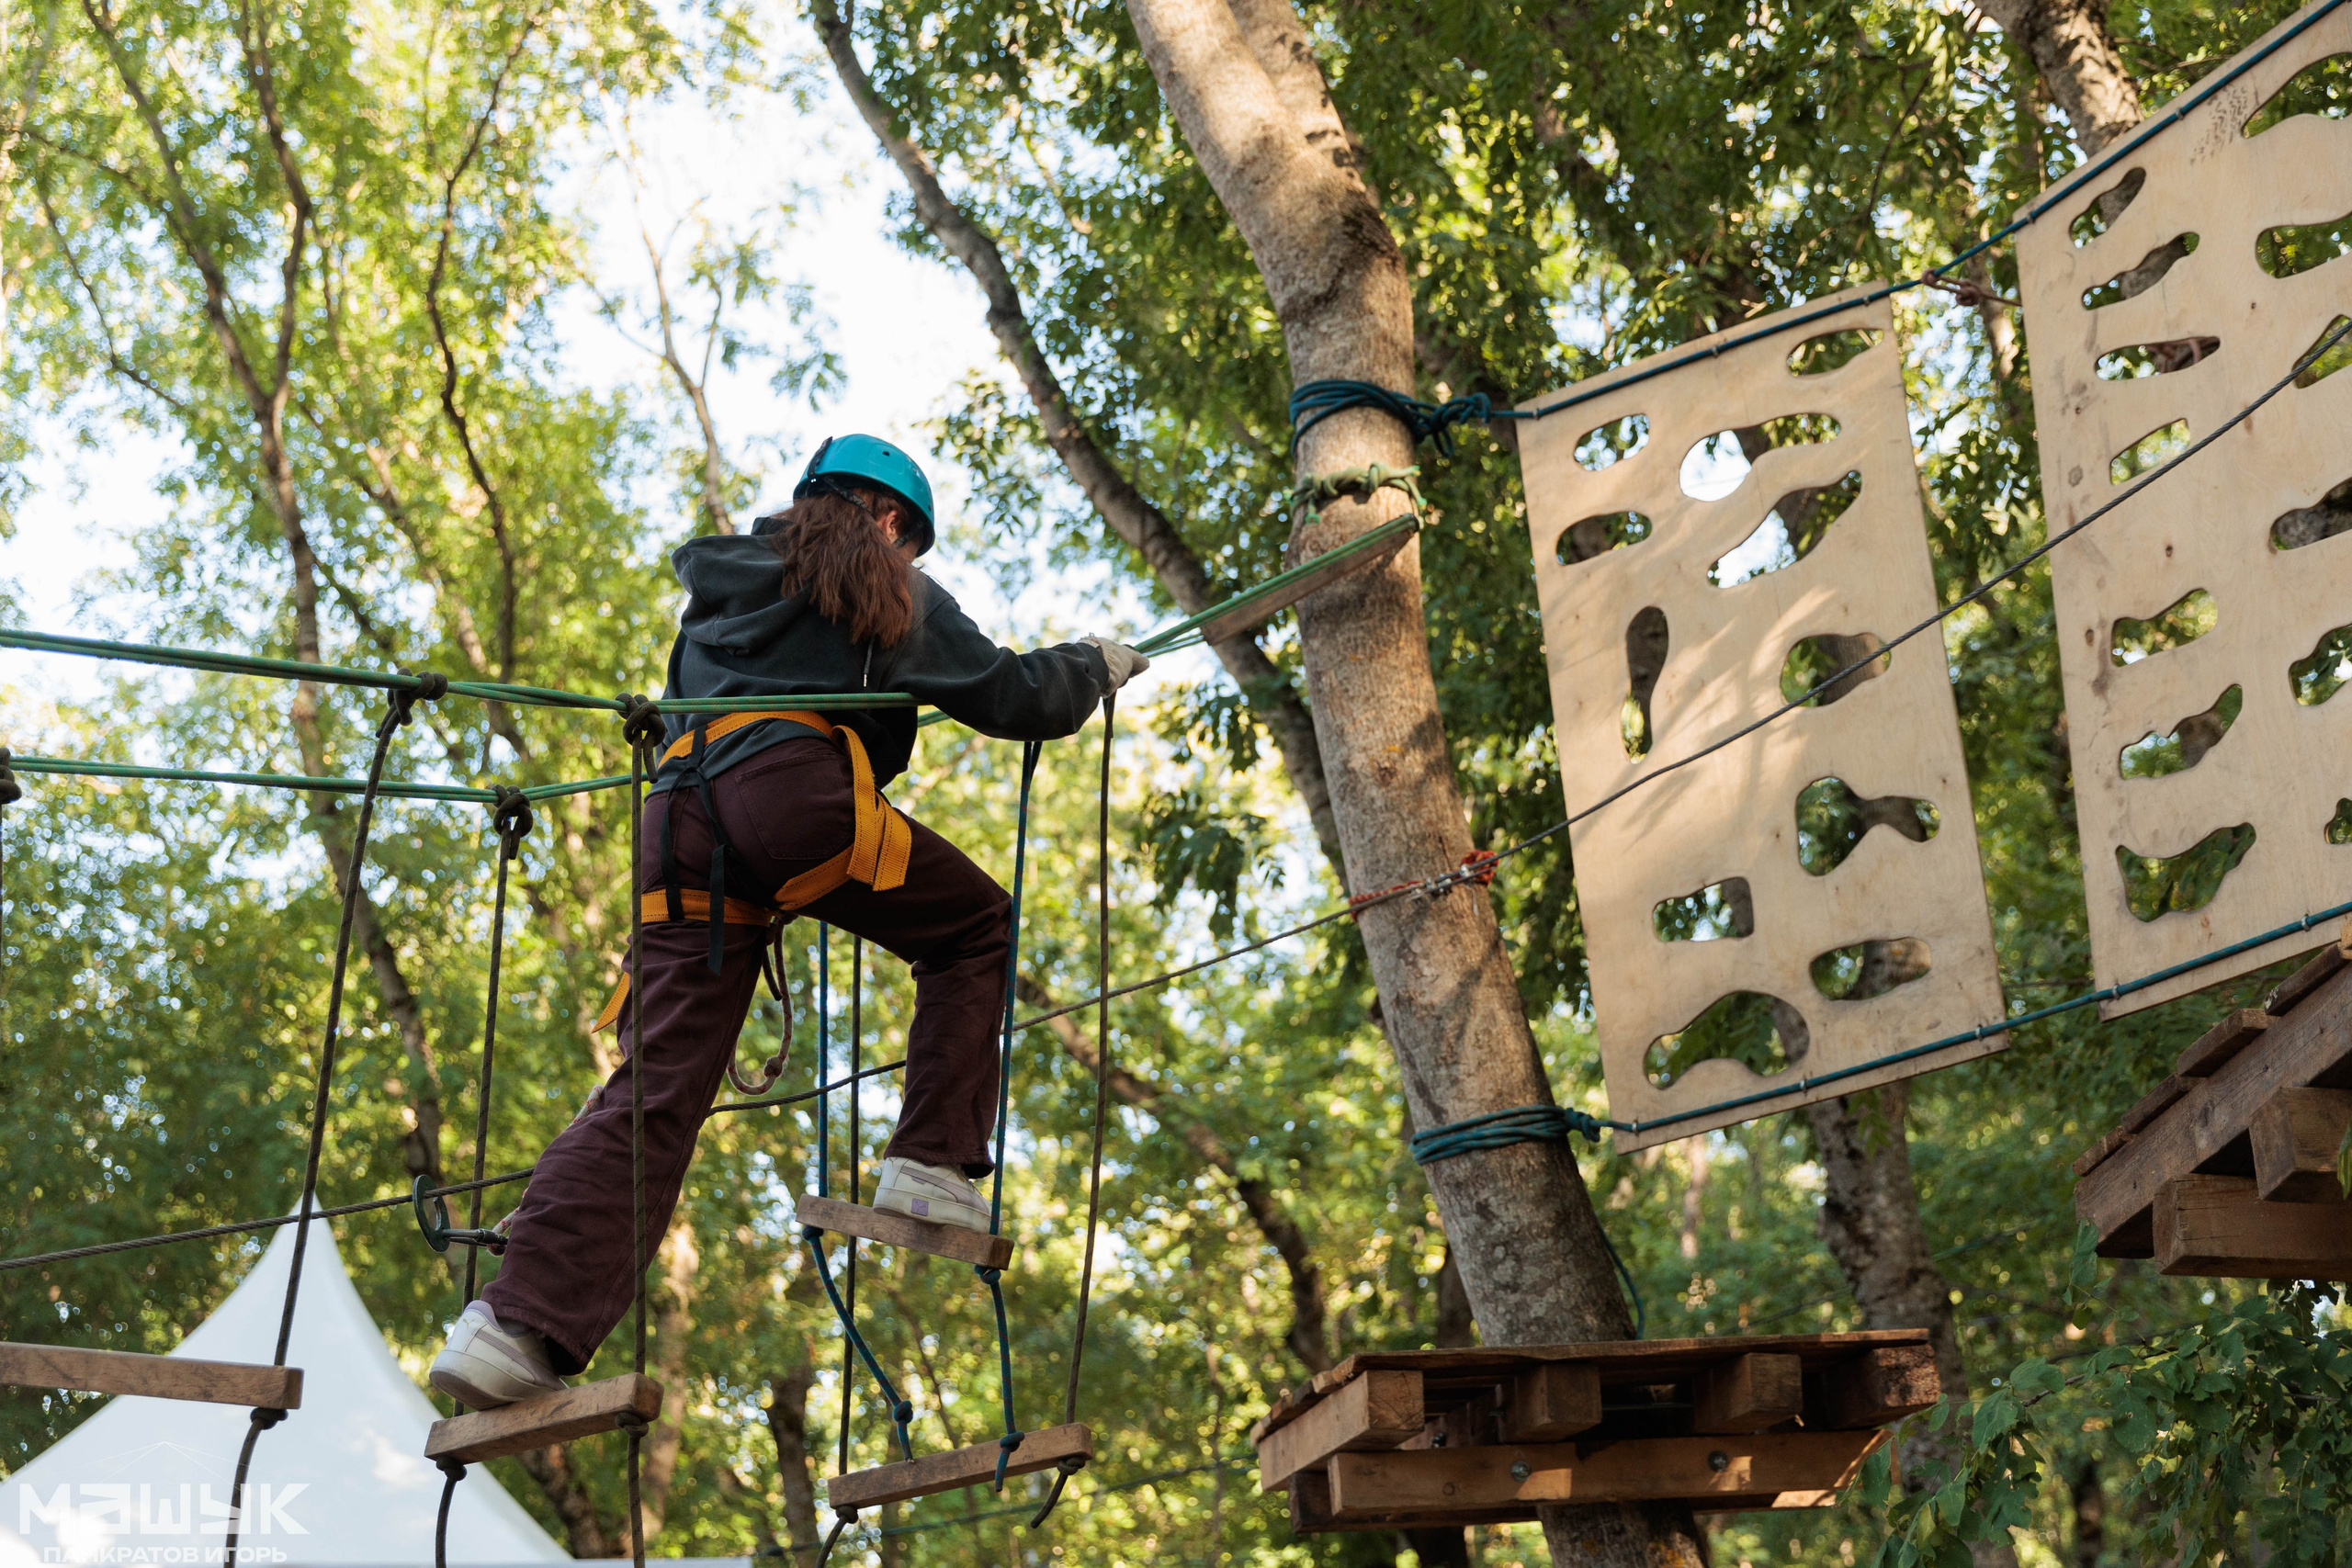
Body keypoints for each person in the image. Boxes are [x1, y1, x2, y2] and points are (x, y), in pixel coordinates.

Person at [429, 434, 1147, 1409]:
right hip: (790, 802)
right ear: (892, 522)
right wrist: (1089, 667)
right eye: (909, 541)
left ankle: (510, 1327)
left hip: (678, 826)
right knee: (975, 925)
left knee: (656, 1089)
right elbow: (1008, 694)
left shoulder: (719, 595)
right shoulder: (887, 584)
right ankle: (932, 1161)